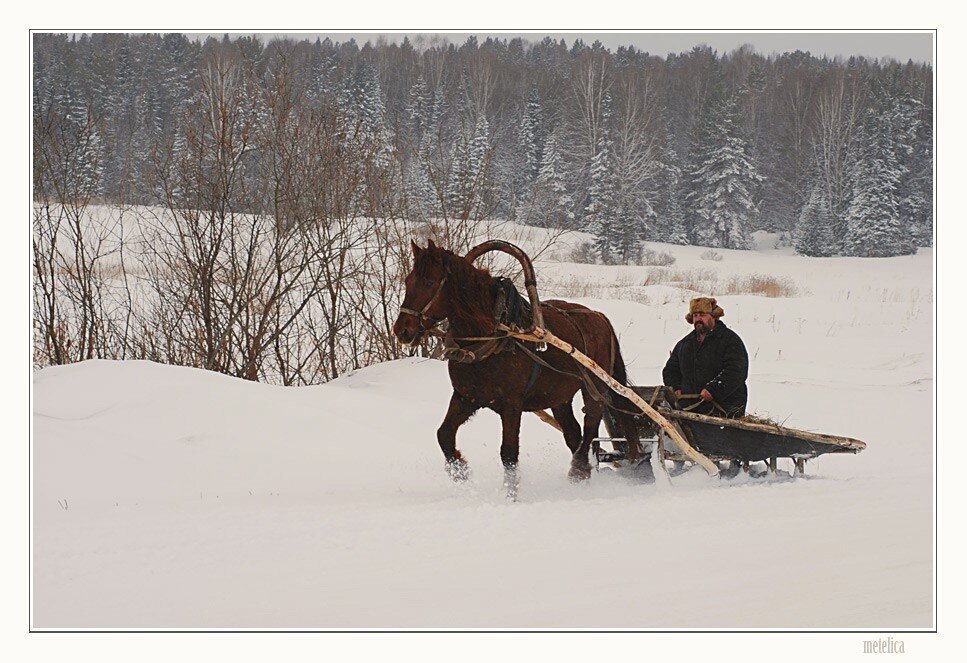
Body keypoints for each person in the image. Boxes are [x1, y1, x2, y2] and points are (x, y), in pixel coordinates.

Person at [662, 297, 748, 418]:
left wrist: (713, 390)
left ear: (714, 316)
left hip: (725, 410)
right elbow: (670, 370)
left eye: (702, 315)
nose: (698, 319)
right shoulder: (684, 344)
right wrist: (675, 387)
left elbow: (736, 371)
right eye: (695, 315)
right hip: (689, 411)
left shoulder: (730, 341)